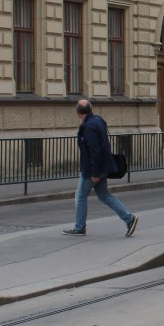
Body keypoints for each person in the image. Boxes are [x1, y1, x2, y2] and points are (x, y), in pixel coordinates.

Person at [64, 99, 138, 237]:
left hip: (93, 168)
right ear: (91, 109)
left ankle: (80, 227)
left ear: (78, 112)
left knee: (80, 196)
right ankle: (129, 218)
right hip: (103, 166)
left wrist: (95, 172)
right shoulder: (97, 120)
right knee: (103, 195)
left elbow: (95, 150)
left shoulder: (89, 127)